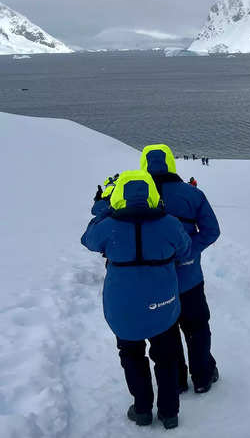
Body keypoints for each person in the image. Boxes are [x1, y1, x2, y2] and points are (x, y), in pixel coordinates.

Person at [81, 170, 191, 429]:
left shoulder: (109, 226)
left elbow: (88, 239)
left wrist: (107, 210)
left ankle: (142, 408)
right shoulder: (169, 223)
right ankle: (169, 412)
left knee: (131, 355)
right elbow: (185, 248)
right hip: (162, 303)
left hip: (123, 307)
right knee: (165, 356)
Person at [141, 144, 221, 395]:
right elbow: (211, 231)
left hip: (155, 281)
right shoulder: (192, 193)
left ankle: (176, 379)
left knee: (166, 331)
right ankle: (203, 376)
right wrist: (188, 250)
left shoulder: (137, 198)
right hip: (189, 278)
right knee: (197, 327)